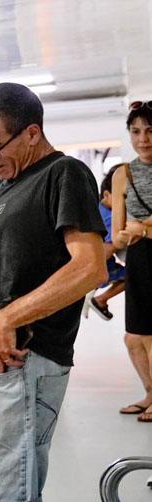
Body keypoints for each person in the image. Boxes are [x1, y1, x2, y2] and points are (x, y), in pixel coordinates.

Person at [0, 82, 106, 501]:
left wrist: (11, 316)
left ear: (32, 133)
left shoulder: (63, 174)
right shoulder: (2, 184)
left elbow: (89, 266)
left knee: (7, 490)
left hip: (25, 354)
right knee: (0, 481)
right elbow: (11, 262)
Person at [110, 100, 152, 421]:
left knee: (151, 336)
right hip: (139, 259)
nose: (143, 138)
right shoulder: (123, 174)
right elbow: (118, 231)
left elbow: (136, 227)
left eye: (150, 131)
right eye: (136, 131)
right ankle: (150, 393)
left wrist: (144, 228)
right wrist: (128, 235)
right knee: (133, 337)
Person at [86, 165, 126, 320]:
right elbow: (112, 246)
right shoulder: (110, 218)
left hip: (99, 268)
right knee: (133, 276)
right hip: (102, 270)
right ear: (107, 195)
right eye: (122, 197)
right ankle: (101, 299)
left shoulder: (97, 209)